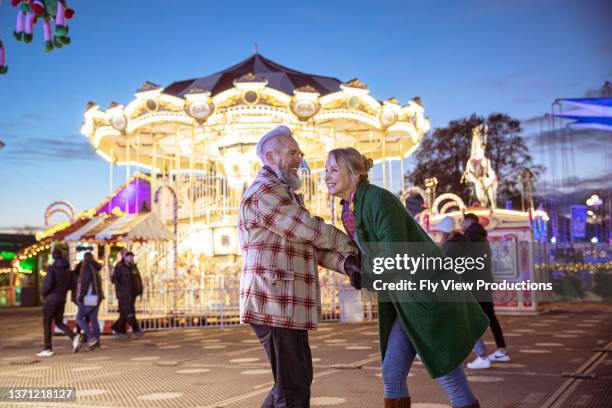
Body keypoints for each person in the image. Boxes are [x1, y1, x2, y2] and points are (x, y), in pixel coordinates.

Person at [325, 147, 487, 408]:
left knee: (447, 372)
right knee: (392, 373)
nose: (326, 176)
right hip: (404, 298)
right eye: (325, 170)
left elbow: (394, 252)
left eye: (333, 169)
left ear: (354, 174)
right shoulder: (351, 207)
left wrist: (364, 272)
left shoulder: (377, 199)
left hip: (424, 294)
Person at [239, 126, 361, 408]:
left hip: (285, 304)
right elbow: (309, 229)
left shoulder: (284, 193)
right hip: (273, 303)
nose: (300, 158)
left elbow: (309, 246)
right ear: (270, 156)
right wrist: (351, 248)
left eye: (299, 152)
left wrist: (347, 264)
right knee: (293, 391)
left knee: (293, 383)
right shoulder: (265, 192)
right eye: (292, 152)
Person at [461, 213, 510, 369]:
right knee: (489, 317)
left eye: (462, 220)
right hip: (484, 282)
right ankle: (501, 350)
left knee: (468, 318)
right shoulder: (481, 237)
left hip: (475, 285)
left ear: (469, 221)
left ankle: (481, 356)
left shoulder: (471, 237)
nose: (461, 223)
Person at [38, 248, 77, 357]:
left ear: (53, 257)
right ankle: (74, 337)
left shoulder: (52, 269)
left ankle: (47, 348)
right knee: (59, 322)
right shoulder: (68, 271)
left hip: (51, 300)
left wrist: (43, 293)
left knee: (47, 323)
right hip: (62, 299)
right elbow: (72, 285)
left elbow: (48, 284)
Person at [75, 252, 104, 351]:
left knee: (79, 318)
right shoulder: (96, 268)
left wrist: (81, 297)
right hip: (97, 297)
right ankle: (97, 343)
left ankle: (91, 338)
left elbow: (85, 284)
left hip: (89, 297)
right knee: (94, 319)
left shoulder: (87, 268)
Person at [111, 251, 144, 338]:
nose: (132, 258)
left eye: (132, 257)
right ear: (125, 257)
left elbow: (138, 280)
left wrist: (140, 290)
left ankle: (118, 329)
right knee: (129, 312)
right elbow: (114, 279)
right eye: (130, 257)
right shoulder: (119, 267)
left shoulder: (133, 267)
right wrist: (122, 287)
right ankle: (136, 329)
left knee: (124, 313)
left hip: (132, 294)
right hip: (123, 294)